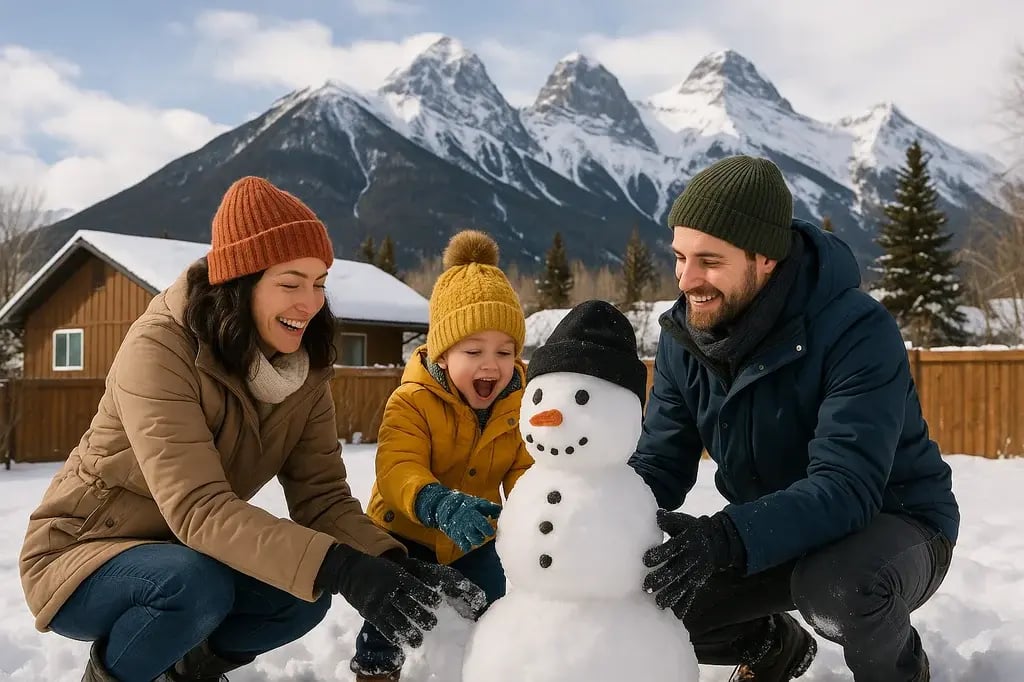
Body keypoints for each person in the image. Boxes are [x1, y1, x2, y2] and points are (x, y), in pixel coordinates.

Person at [18, 176, 485, 682]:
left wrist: (391, 564)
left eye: (319, 283)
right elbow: (199, 508)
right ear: (239, 284)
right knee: (194, 586)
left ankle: (187, 674)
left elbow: (322, 498)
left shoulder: (302, 369)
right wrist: (342, 566)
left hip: (183, 552)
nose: (310, 303)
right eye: (290, 283)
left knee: (297, 595)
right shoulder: (158, 351)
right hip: (81, 556)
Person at [628, 155, 959, 682]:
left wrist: (725, 538)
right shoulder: (685, 340)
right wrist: (587, 513)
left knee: (840, 586)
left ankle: (901, 671)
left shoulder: (857, 331)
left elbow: (848, 488)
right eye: (679, 257)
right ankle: (774, 649)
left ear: (765, 259)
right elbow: (658, 464)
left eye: (709, 261)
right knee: (651, 601)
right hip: (775, 531)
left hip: (896, 523)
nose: (687, 279)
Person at [351, 229, 533, 681]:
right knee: (393, 608)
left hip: (472, 535)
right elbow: (397, 468)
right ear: (442, 353)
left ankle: (482, 665)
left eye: (504, 351)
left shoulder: (519, 403)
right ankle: (376, 670)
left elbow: (523, 467)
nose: (491, 365)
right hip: (404, 529)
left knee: (493, 598)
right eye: (473, 351)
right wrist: (436, 502)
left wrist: (534, 507)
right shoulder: (411, 400)